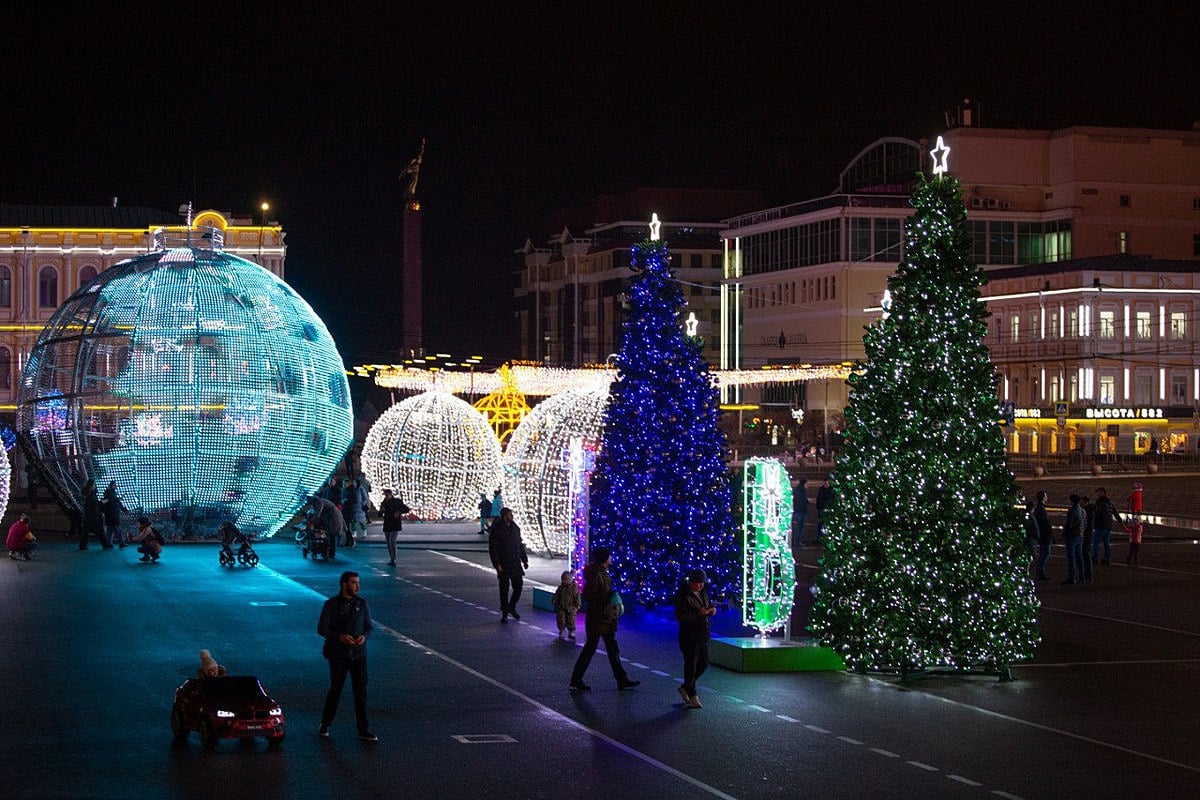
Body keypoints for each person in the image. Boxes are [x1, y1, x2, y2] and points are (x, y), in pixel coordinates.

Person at [569, 547, 640, 692]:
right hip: (599, 617)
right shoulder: (596, 574)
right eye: (609, 556)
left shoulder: (600, 572)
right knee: (595, 648)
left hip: (603, 616)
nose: (611, 558)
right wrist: (606, 599)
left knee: (608, 647)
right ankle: (577, 679)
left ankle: (621, 679)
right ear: (604, 559)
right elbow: (589, 595)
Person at [317, 571, 377, 742]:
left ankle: (363, 729)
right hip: (338, 654)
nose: (357, 586)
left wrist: (364, 636)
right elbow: (322, 628)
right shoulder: (331, 604)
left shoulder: (362, 604)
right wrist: (340, 637)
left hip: (358, 654)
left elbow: (369, 627)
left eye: (358, 583)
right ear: (344, 584)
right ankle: (325, 724)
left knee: (361, 691)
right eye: (353, 583)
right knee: (335, 689)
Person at [673, 568, 716, 709]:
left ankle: (686, 686)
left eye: (702, 583)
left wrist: (710, 610)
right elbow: (681, 616)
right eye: (698, 583)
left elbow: (706, 607)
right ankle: (692, 694)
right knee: (690, 664)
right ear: (691, 582)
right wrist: (699, 612)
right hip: (689, 635)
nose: (701, 585)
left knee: (703, 663)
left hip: (702, 634)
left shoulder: (703, 593)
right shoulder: (682, 595)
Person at [488, 507, 528, 623]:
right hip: (503, 563)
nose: (512, 516)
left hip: (515, 562)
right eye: (510, 515)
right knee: (504, 590)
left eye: (512, 514)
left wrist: (524, 560)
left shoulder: (515, 528)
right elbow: (493, 548)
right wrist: (496, 564)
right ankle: (505, 613)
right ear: (504, 516)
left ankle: (512, 606)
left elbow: (519, 545)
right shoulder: (497, 529)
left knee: (518, 586)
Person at [379, 488, 410, 567]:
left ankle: (394, 558)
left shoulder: (397, 501)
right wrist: (381, 511)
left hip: (395, 524)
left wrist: (399, 512)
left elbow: (406, 509)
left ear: (390, 494)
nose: (385, 497)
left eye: (387, 495)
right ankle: (392, 558)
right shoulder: (383, 503)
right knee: (389, 542)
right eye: (385, 495)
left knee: (392, 540)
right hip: (387, 524)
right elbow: (379, 514)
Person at [307, 494, 344, 560]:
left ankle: (331, 553)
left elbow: (318, 514)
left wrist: (313, 521)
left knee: (332, 535)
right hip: (331, 517)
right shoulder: (321, 501)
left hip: (333, 518)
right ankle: (330, 553)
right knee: (331, 535)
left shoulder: (319, 502)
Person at [1092, 487, 1122, 566]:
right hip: (1108, 525)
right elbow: (1115, 512)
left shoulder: (1100, 502)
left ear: (1102, 493)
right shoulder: (1110, 502)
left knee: (1095, 542)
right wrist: (1120, 522)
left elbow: (1098, 514)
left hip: (1100, 525)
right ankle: (1107, 558)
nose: (1097, 495)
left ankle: (1095, 557)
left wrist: (1093, 523)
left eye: (1098, 493)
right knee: (1106, 542)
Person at [1062, 494, 1085, 585]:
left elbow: (1069, 523)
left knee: (1071, 557)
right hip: (1080, 535)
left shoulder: (1072, 510)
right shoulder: (1082, 510)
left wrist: (1065, 533)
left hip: (1072, 535)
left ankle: (1072, 577)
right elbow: (1084, 523)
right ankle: (1081, 576)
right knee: (1079, 556)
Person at [552, 570, 581, 640]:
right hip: (561, 607)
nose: (564, 581)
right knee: (561, 619)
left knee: (571, 620)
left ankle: (571, 631)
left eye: (565, 579)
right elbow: (556, 596)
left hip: (571, 608)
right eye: (563, 579)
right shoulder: (561, 588)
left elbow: (577, 598)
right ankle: (562, 630)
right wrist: (554, 602)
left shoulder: (574, 589)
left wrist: (577, 606)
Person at [100, 481, 129, 549]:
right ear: (112, 486)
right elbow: (116, 503)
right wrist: (124, 509)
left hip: (110, 516)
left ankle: (109, 544)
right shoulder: (112, 495)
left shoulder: (109, 495)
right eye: (114, 485)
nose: (116, 486)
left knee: (110, 531)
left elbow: (116, 502)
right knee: (117, 530)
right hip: (113, 515)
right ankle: (121, 543)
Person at [1034, 490, 1053, 580]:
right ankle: (1040, 572)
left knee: (1044, 554)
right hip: (1044, 535)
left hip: (1042, 535)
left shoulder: (1039, 508)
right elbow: (1045, 523)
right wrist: (1050, 533)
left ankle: (1040, 572)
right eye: (1045, 496)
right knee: (1045, 554)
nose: (1047, 497)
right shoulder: (1041, 509)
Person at [340, 478, 363, 548]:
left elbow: (354, 500)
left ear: (348, 484)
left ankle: (351, 540)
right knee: (345, 527)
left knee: (347, 526)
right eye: (343, 484)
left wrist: (346, 501)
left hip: (349, 511)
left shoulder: (352, 491)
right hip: (345, 510)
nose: (343, 485)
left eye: (345, 484)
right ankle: (348, 541)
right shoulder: (345, 490)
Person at [81, 479, 103, 550]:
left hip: (89, 515)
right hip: (92, 515)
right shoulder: (90, 494)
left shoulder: (88, 493)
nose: (95, 486)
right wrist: (100, 502)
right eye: (94, 485)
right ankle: (105, 544)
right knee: (98, 530)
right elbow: (93, 503)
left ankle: (82, 545)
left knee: (86, 531)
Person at [1080, 495, 1095, 583]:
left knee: (1085, 554)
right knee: (1085, 554)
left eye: (1082, 502)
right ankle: (1087, 574)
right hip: (1087, 535)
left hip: (1086, 535)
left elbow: (1086, 525)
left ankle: (1087, 575)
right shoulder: (1090, 511)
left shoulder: (1087, 512)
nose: (1080, 504)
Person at [792, 478, 809, 543]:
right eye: (806, 484)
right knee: (800, 527)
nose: (807, 486)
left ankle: (797, 540)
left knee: (798, 527)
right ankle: (797, 541)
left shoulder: (798, 490)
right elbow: (801, 502)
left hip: (798, 510)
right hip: (801, 511)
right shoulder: (802, 491)